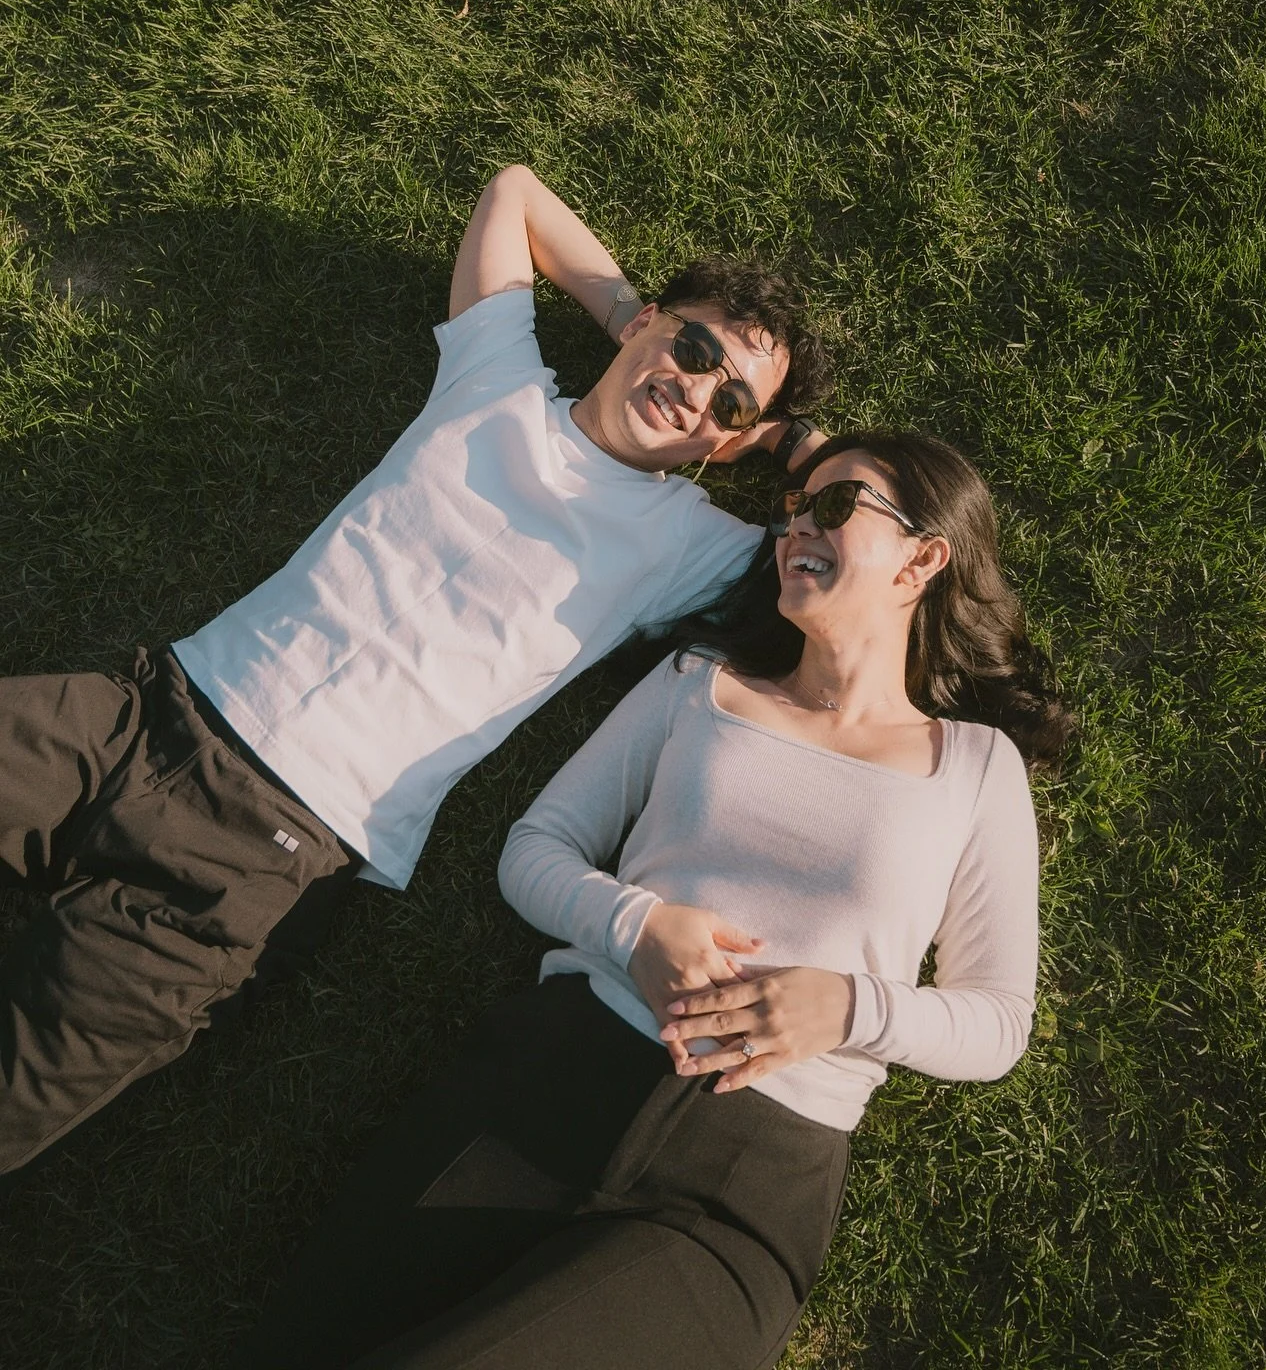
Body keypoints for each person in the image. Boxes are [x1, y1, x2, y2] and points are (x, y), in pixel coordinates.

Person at [0, 166, 829, 1178]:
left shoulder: (690, 544)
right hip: (136, 719)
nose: (695, 387)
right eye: (692, 346)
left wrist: (798, 448)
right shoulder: (497, 382)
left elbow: (853, 554)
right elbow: (516, 196)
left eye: (729, 400)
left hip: (258, 858)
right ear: (650, 325)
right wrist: (614, 311)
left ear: (730, 441)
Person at [231, 431, 1074, 1370]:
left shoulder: (974, 768)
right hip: (544, 1088)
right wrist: (633, 928)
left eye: (836, 505)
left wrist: (846, 1005)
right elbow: (536, 848)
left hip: (746, 1180)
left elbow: (996, 1023)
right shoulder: (696, 684)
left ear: (924, 557)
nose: (798, 523)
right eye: (793, 509)